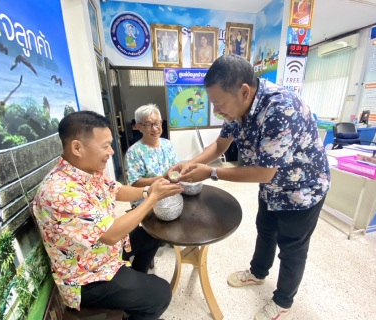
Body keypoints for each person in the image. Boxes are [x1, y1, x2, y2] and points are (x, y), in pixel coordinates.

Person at [169, 55, 330, 320]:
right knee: (265, 231)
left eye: (219, 104)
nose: (218, 111)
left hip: (302, 190)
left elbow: (264, 173)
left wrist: (210, 173)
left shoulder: (280, 108)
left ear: (244, 91)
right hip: (272, 189)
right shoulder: (237, 107)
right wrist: (187, 164)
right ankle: (257, 273)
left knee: (292, 247)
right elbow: (220, 145)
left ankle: (283, 301)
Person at [33, 111, 183, 320]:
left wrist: (150, 190)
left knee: (153, 234)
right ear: (77, 147)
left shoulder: (89, 170)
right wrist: (152, 199)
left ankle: (135, 286)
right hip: (85, 275)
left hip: (104, 252)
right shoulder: (58, 192)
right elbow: (111, 234)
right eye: (105, 146)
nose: (111, 151)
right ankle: (139, 303)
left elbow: (116, 190)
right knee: (160, 293)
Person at [125, 104, 180, 207]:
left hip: (169, 193)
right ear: (138, 126)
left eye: (157, 123)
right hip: (147, 197)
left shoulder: (167, 144)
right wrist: (162, 178)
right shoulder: (133, 152)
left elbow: (176, 166)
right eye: (148, 125)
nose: (155, 129)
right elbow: (135, 182)